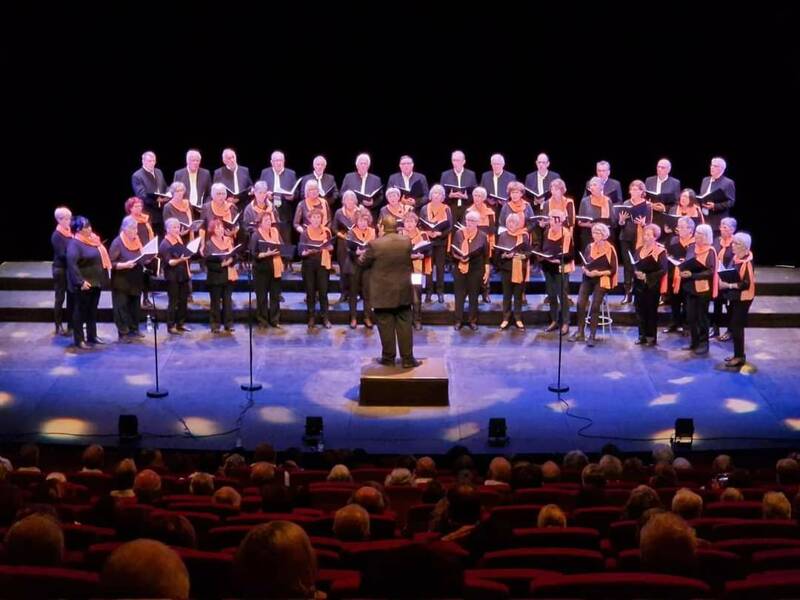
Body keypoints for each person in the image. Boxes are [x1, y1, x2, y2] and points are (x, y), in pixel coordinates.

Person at [360, 214, 419, 368]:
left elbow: (363, 263)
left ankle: (388, 358)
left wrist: (361, 255)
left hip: (383, 293)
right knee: (405, 325)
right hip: (403, 291)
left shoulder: (375, 244)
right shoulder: (406, 241)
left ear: (382, 227)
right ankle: (407, 359)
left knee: (385, 325)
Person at [569, 222, 618, 347]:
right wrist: (586, 270)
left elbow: (612, 270)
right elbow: (585, 264)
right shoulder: (589, 247)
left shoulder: (610, 248)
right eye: (594, 232)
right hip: (588, 278)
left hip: (601, 279)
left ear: (604, 235)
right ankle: (580, 332)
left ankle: (592, 335)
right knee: (580, 302)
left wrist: (598, 272)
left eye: (598, 233)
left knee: (595, 306)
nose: (595, 235)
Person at [66, 216, 111, 348]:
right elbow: (72, 265)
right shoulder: (75, 244)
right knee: (80, 312)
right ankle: (79, 339)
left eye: (89, 226)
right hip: (84, 284)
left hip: (96, 282)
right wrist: (80, 282)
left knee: (92, 311)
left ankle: (92, 336)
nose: (89, 229)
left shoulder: (93, 240)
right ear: (78, 230)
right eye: (86, 227)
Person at [108, 216, 150, 342]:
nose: (135, 231)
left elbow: (141, 255)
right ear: (125, 229)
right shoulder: (117, 243)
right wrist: (125, 265)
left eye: (136, 228)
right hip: (122, 280)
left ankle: (134, 328)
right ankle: (123, 331)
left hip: (135, 279)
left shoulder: (137, 240)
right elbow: (112, 263)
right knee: (121, 306)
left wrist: (148, 257)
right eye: (132, 228)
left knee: (134, 305)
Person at [719, 232, 755, 370]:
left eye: (736, 244)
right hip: (735, 296)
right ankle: (737, 354)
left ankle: (739, 356)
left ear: (744, 247)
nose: (732, 246)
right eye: (733, 243)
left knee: (737, 326)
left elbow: (746, 284)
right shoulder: (737, 257)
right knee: (734, 325)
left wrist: (728, 285)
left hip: (743, 298)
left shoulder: (747, 263)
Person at [680, 223, 717, 356]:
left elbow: (711, 271)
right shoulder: (691, 247)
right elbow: (686, 263)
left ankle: (703, 343)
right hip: (690, 287)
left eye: (700, 234)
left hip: (702, 289)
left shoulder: (710, 251)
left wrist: (693, 275)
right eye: (696, 233)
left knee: (702, 317)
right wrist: (682, 271)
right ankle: (694, 342)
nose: (697, 236)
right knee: (691, 316)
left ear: (707, 236)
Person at [451, 210, 491, 331]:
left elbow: (486, 255)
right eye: (468, 220)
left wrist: (487, 270)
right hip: (460, 268)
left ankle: (472, 321)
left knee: (474, 296)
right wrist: (460, 258)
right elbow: (453, 251)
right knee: (459, 296)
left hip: (476, 269)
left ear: (477, 222)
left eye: (473, 221)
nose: (470, 223)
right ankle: (458, 321)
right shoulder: (458, 233)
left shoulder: (483, 236)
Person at [617, 180, 654, 304]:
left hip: (640, 239)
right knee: (627, 266)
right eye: (631, 189)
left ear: (642, 192)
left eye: (636, 189)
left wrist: (643, 224)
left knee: (638, 265)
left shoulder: (647, 205)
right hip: (625, 238)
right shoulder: (626, 203)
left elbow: (649, 223)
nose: (633, 192)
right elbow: (621, 224)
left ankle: (638, 292)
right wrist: (621, 220)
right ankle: (627, 293)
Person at [537, 209, 574, 335]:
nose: (550, 222)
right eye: (550, 219)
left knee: (562, 296)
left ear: (559, 221)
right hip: (548, 268)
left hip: (560, 268)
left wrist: (557, 259)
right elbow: (542, 248)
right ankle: (554, 320)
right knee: (551, 295)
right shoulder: (547, 232)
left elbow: (569, 254)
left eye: (552, 219)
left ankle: (565, 322)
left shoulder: (566, 233)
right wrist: (541, 256)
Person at [494, 212, 532, 330]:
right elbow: (497, 254)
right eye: (509, 222)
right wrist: (504, 256)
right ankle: (505, 318)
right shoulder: (503, 235)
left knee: (518, 296)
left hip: (520, 269)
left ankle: (518, 318)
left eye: (514, 222)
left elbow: (528, 252)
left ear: (518, 224)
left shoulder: (524, 236)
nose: (511, 224)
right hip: (506, 269)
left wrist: (521, 256)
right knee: (507, 295)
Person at [632, 224, 668, 346]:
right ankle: (641, 335)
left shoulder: (660, 251)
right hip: (638, 285)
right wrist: (636, 272)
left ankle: (651, 337)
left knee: (651, 311)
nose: (645, 237)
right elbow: (635, 264)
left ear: (655, 237)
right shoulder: (639, 249)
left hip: (652, 285)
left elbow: (663, 270)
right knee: (639, 311)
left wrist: (647, 276)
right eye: (645, 234)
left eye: (648, 235)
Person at [299, 209, 334, 329]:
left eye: (318, 217)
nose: (316, 220)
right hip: (309, 265)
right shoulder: (305, 233)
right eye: (314, 217)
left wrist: (329, 248)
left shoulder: (327, 231)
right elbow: (301, 251)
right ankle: (311, 317)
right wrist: (307, 252)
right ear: (309, 219)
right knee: (310, 292)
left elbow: (331, 246)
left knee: (323, 292)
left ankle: (325, 318)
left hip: (323, 265)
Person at [248, 211, 283, 328]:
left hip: (275, 268)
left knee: (275, 296)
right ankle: (262, 320)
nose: (269, 222)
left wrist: (281, 250)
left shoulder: (275, 231)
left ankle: (275, 320)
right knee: (261, 297)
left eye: (270, 220)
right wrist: (266, 254)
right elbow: (254, 253)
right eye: (266, 220)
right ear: (260, 223)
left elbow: (282, 246)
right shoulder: (256, 235)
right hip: (261, 269)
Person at [203, 218, 238, 333]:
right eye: (217, 228)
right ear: (212, 230)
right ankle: (215, 324)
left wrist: (231, 261)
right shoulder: (209, 244)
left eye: (221, 227)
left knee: (228, 301)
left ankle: (228, 323)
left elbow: (235, 256)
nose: (221, 230)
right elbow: (208, 263)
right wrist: (222, 264)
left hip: (228, 276)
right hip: (215, 277)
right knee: (215, 302)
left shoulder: (228, 240)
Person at [663, 215, 696, 335]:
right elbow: (668, 255)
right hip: (674, 275)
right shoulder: (673, 240)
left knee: (687, 302)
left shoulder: (695, 243)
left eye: (682, 227)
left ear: (690, 230)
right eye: (678, 227)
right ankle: (674, 323)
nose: (678, 229)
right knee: (674, 301)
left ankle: (687, 326)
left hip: (687, 277)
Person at [159, 218, 193, 334]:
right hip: (172, 276)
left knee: (183, 301)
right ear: (167, 229)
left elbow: (183, 254)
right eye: (174, 227)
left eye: (178, 227)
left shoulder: (178, 238)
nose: (177, 229)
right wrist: (181, 259)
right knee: (173, 302)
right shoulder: (165, 243)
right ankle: (171, 325)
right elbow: (170, 262)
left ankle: (180, 323)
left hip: (182, 275)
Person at [420, 184, 453, 304]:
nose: (437, 195)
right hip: (428, 242)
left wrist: (439, 234)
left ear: (443, 197)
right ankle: (428, 293)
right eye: (434, 193)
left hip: (441, 242)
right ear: (431, 195)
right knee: (428, 269)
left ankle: (440, 292)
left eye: (439, 194)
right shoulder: (424, 209)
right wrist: (428, 232)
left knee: (440, 268)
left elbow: (449, 226)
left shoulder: (446, 208)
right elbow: (420, 225)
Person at [259, 150, 299, 241]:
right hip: (268, 212)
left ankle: (285, 256)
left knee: (285, 240)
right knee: (270, 240)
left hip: (285, 212)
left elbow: (296, 192)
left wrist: (292, 196)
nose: (278, 163)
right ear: (271, 162)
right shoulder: (265, 173)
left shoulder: (291, 174)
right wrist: (265, 195)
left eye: (281, 160)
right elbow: (260, 190)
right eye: (276, 160)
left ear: (284, 161)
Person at [124, 196, 156, 308]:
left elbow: (149, 234)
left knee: (146, 277)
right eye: (136, 206)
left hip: (147, 251)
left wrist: (151, 251)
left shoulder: (146, 219)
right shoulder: (128, 221)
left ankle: (146, 298)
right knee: (136, 278)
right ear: (130, 208)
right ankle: (134, 301)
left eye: (140, 206)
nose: (139, 208)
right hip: (135, 253)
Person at [401, 212, 430, 331]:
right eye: (407, 222)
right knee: (402, 296)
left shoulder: (423, 235)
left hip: (417, 269)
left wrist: (422, 255)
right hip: (402, 270)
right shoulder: (399, 235)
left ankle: (417, 320)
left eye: (411, 222)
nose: (409, 224)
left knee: (416, 295)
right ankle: (404, 320)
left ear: (416, 223)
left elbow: (429, 250)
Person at [347, 209, 376, 329]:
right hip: (355, 264)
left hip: (368, 265)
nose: (363, 223)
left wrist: (366, 253)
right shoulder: (352, 232)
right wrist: (356, 253)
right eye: (360, 220)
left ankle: (367, 317)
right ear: (356, 221)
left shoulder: (373, 232)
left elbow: (376, 248)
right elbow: (348, 249)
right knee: (353, 292)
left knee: (367, 293)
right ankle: (353, 318)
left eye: (365, 220)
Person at [332, 190, 361, 304]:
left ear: (355, 201)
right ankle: (344, 293)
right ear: (344, 201)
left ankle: (357, 293)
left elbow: (366, 224)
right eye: (347, 200)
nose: (350, 202)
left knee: (356, 269)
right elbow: (334, 228)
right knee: (344, 269)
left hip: (357, 242)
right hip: (343, 243)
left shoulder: (360, 211)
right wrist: (340, 234)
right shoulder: (339, 212)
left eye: (352, 200)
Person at [712, 217, 737, 340]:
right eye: (721, 226)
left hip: (728, 279)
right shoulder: (717, 241)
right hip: (716, 277)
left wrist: (725, 277)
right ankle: (715, 328)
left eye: (725, 227)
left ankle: (730, 330)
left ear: (732, 230)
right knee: (716, 304)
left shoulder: (736, 243)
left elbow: (735, 262)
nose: (721, 229)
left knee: (729, 306)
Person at [51, 206, 74, 336]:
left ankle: (71, 324)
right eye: (67, 219)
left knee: (72, 297)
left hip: (70, 270)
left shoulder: (70, 232)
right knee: (60, 297)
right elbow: (61, 254)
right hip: (60, 269)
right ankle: (58, 325)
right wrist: (75, 257)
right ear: (59, 220)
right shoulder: (57, 235)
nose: (69, 221)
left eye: (69, 218)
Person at [699, 156, 736, 234]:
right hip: (702, 219)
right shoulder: (705, 180)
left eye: (715, 166)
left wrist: (715, 206)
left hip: (716, 221)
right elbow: (702, 195)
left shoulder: (728, 183)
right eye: (711, 165)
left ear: (722, 169)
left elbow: (731, 202)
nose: (712, 167)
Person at [440, 149, 479, 224]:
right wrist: (449, 196)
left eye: (458, 160)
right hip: (451, 206)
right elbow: (441, 194)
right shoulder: (445, 175)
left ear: (464, 162)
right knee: (452, 231)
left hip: (466, 206)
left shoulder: (471, 175)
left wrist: (466, 197)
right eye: (454, 160)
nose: (456, 163)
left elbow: (475, 194)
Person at [341, 153, 383, 217]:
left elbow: (380, 197)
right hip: (351, 211)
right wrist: (351, 203)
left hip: (370, 212)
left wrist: (372, 203)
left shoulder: (376, 179)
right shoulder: (348, 177)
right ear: (357, 165)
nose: (363, 165)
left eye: (365, 163)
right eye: (361, 163)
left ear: (368, 166)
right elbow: (342, 193)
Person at [645, 158, 681, 230]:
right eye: (658, 167)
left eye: (662, 167)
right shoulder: (649, 180)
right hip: (650, 216)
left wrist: (664, 208)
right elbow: (644, 197)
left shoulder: (675, 183)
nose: (659, 169)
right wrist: (649, 204)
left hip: (664, 216)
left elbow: (676, 203)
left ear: (669, 170)